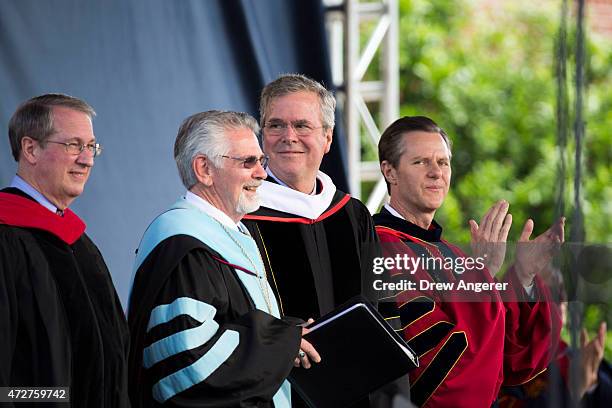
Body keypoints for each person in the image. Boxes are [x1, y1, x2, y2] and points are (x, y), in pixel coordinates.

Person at [128, 110, 319, 407]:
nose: (262, 173)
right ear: (205, 169)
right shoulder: (182, 241)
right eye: (248, 162)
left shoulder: (236, 232)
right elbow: (188, 366)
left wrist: (290, 334)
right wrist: (281, 342)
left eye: (261, 161)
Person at [373, 116, 564, 407]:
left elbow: (510, 359)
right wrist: (483, 274)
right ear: (390, 172)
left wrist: (522, 277)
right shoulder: (380, 246)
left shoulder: (457, 257)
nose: (437, 173)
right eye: (421, 162)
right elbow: (437, 372)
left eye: (443, 162)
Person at [0, 94, 130, 407]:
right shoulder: (6, 237)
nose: (86, 159)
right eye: (73, 145)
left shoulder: (80, 242)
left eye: (91, 147)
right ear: (31, 149)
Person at [243, 73, 379, 321]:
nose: (289, 136)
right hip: (279, 359)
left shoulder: (353, 214)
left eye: (302, 125)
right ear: (262, 136)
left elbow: (380, 306)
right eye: (275, 125)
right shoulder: (243, 214)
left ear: (327, 138)